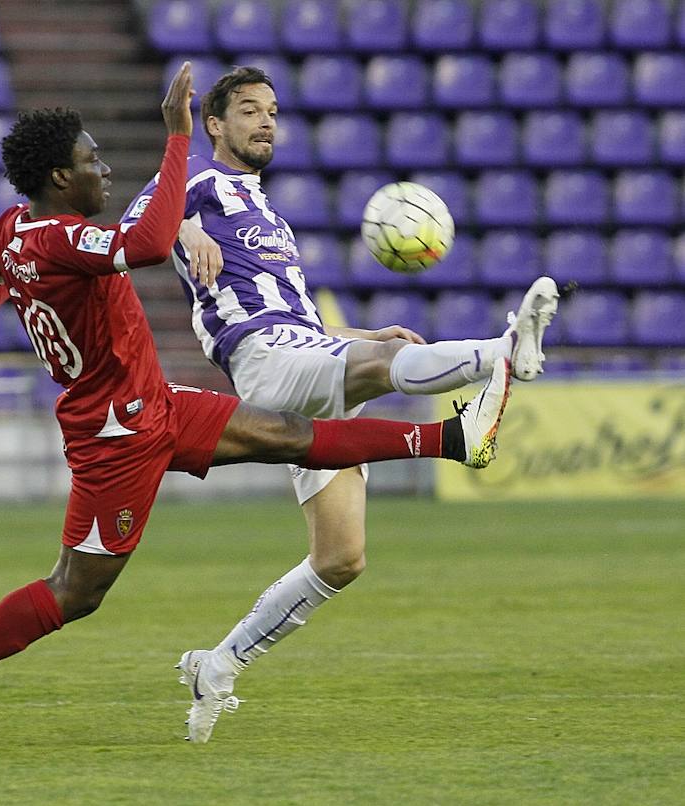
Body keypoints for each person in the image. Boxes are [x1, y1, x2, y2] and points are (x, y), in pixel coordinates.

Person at [0, 62, 513, 759]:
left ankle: (457, 437)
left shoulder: (10, 231)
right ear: (61, 179)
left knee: (293, 435)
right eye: (93, 162)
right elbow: (146, 244)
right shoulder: (63, 239)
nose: (105, 173)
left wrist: (19, 292)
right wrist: (177, 138)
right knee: (76, 592)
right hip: (115, 434)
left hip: (156, 405)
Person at [121, 66, 560, 744]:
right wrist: (184, 231)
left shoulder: (268, 215)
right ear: (214, 124)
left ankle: (219, 663)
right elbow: (134, 227)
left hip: (300, 352)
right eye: (247, 111)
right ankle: (503, 350)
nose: (265, 121)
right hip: (264, 361)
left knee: (341, 558)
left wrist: (354, 336)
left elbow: (292, 314)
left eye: (271, 110)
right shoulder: (198, 186)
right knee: (384, 372)